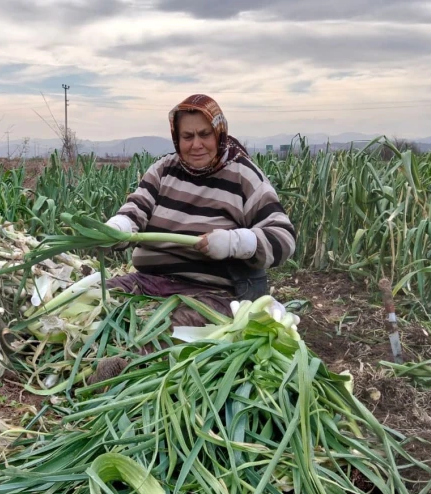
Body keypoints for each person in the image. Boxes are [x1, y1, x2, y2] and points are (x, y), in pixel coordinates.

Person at [104, 94, 297, 328]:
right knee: (96, 301)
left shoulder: (243, 176)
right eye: (187, 136)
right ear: (177, 138)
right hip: (149, 282)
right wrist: (118, 227)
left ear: (219, 132)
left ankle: (127, 361)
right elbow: (137, 208)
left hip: (211, 293)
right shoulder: (164, 170)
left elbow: (283, 238)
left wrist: (235, 242)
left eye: (205, 134)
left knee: (166, 330)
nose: (196, 144)